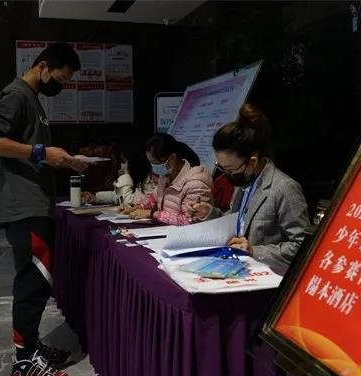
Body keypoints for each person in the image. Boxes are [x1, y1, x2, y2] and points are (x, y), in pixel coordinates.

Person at [0, 42, 88, 376]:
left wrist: (62, 160)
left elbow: (31, 154)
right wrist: (41, 151)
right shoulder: (16, 95)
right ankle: (24, 364)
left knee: (38, 281)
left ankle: (30, 345)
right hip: (24, 207)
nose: (61, 86)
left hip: (34, 204)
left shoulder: (32, 99)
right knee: (32, 281)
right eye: (60, 78)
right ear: (43, 66)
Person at [188, 104, 310, 274]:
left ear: (252, 161)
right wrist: (209, 213)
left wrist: (254, 251)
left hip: (267, 276)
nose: (227, 175)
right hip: (235, 268)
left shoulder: (284, 188)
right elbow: (237, 223)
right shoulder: (244, 182)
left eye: (230, 169)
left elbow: (302, 246)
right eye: (221, 167)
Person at [127, 133, 212, 225]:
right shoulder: (165, 176)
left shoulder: (196, 184)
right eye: (151, 163)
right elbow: (154, 197)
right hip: (165, 228)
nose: (153, 167)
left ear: (172, 158)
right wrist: (138, 206)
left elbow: (190, 221)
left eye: (155, 162)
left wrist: (152, 214)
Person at [83, 147, 157, 206]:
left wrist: (126, 174)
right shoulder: (139, 179)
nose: (121, 166)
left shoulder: (150, 181)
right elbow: (118, 195)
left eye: (124, 162)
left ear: (133, 164)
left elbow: (127, 200)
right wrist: (96, 197)